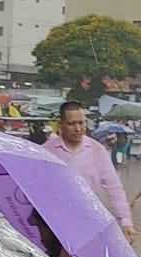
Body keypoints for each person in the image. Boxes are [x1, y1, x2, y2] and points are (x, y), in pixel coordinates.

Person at [44, 102, 134, 241]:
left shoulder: (97, 150)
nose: (78, 128)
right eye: (72, 123)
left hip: (87, 222)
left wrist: (125, 221)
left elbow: (114, 187)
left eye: (81, 123)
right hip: (53, 223)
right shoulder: (46, 151)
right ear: (61, 125)